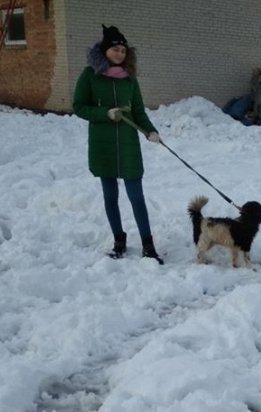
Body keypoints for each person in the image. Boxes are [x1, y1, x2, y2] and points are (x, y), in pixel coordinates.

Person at [73, 24, 163, 263]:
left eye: (123, 50)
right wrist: (105, 114)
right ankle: (119, 241)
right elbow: (79, 107)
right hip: (103, 145)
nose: (120, 54)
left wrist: (150, 131)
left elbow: (138, 112)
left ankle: (148, 245)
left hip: (127, 144)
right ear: (104, 51)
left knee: (136, 195)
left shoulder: (130, 81)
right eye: (115, 49)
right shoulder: (89, 76)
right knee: (110, 195)